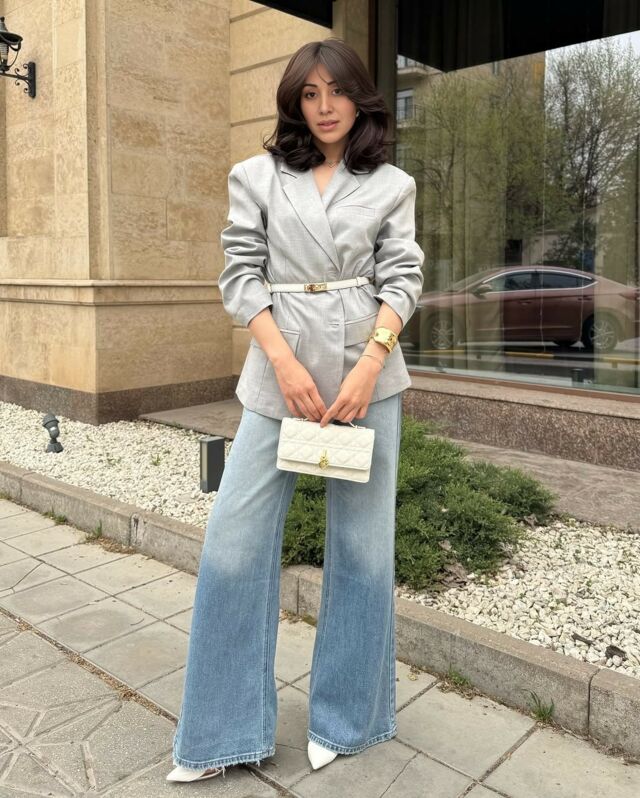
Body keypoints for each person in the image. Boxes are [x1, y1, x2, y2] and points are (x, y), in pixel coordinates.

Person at [167, 37, 424, 783]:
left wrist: (370, 364)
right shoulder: (256, 176)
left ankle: (348, 720)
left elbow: (403, 279)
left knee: (364, 551)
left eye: (336, 91)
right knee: (233, 543)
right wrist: (282, 363)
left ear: (359, 97)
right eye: (309, 94)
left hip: (366, 382)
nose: (324, 107)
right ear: (294, 103)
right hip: (276, 374)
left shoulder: (391, 184)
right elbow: (240, 276)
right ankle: (221, 732)